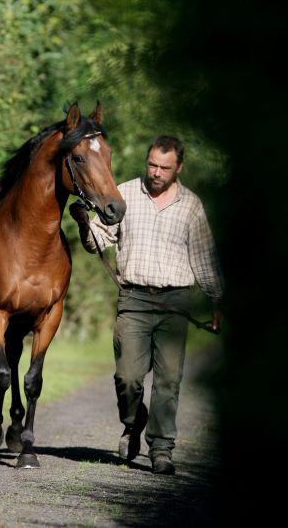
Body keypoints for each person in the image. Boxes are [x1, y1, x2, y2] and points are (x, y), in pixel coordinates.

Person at [69, 135, 224, 475]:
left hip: (175, 302)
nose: (156, 172)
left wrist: (216, 301)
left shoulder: (191, 206)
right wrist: (85, 224)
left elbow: (203, 258)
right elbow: (99, 243)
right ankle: (133, 420)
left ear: (178, 168)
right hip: (134, 297)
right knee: (127, 377)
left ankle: (162, 449)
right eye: (152, 164)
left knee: (169, 380)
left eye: (164, 167)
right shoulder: (125, 193)